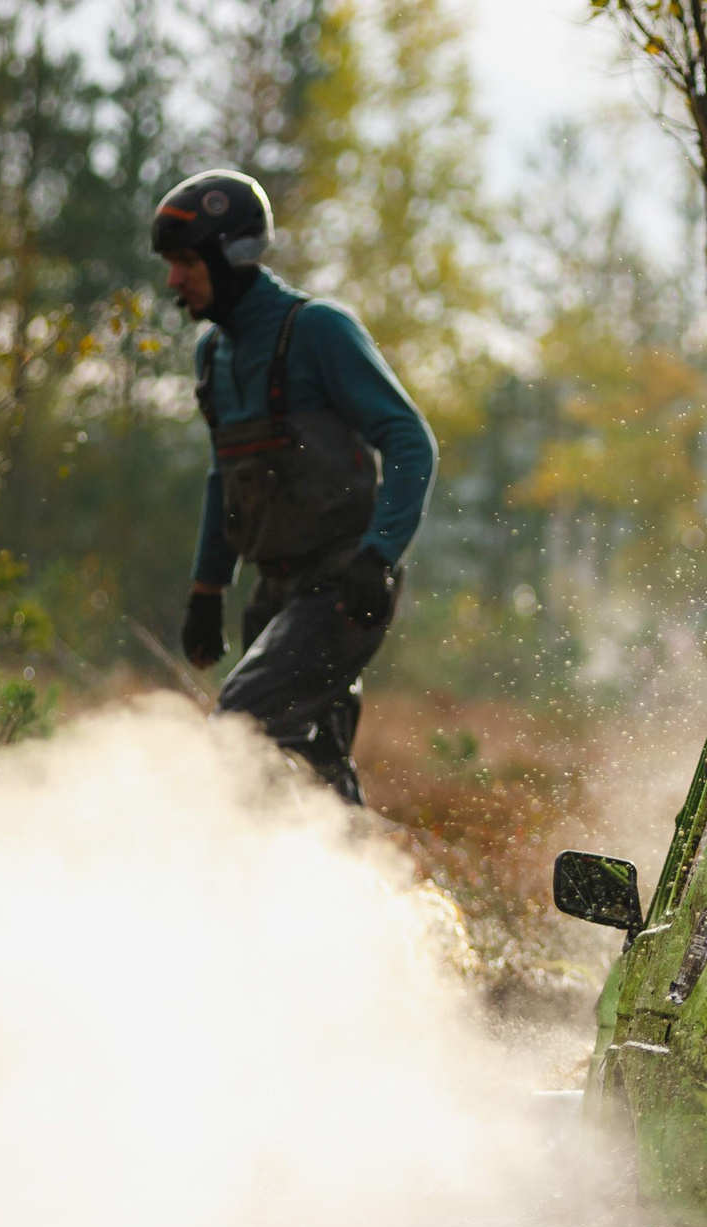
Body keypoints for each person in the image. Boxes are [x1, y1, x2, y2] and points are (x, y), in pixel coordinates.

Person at [153, 168, 436, 805]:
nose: (173, 280)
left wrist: (378, 557)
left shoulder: (317, 331)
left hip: (342, 587)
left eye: (186, 262)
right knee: (316, 766)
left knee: (239, 731)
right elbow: (225, 475)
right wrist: (207, 590)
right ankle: (354, 867)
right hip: (273, 592)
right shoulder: (211, 355)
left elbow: (410, 440)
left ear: (233, 256)